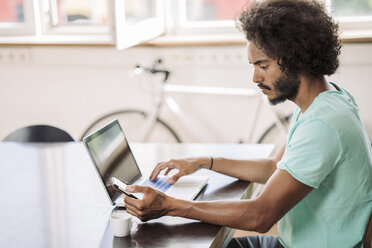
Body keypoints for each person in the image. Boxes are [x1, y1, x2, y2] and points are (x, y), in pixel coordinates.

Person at [123, 0, 372, 247]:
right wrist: (203, 162)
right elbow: (275, 167)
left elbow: (260, 215)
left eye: (263, 65)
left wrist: (170, 206)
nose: (255, 77)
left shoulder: (323, 124)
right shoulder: (326, 101)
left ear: (298, 59)